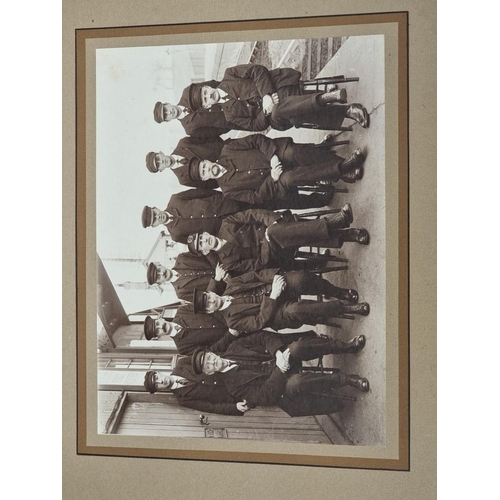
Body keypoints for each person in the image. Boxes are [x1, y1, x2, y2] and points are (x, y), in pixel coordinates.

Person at [143, 329, 369, 417]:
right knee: (296, 383)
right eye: (209, 365)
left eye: (211, 357)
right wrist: (280, 370)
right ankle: (346, 380)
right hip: (281, 383)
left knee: (296, 348)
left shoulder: (232, 349)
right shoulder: (233, 386)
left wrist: (279, 351)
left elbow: (261, 336)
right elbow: (266, 395)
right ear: (209, 373)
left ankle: (346, 346)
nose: (213, 360)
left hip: (280, 359)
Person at [184, 135, 365, 208]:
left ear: (207, 160)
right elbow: (256, 198)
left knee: (292, 152)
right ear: (206, 178)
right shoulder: (228, 190)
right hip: (276, 183)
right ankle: (343, 169)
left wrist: (272, 156)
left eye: (204, 166)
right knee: (289, 178)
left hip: (275, 154)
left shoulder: (228, 150)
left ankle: (341, 167)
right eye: (204, 173)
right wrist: (272, 178)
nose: (208, 169)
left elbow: (256, 140)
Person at [186, 206, 370, 276]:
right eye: (201, 244)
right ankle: (341, 225)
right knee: (279, 233)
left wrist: (272, 221)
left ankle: (350, 234)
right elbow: (258, 264)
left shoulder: (226, 224)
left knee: (284, 231)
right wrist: (268, 237)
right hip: (276, 256)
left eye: (202, 237)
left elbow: (254, 214)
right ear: (204, 252)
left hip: (278, 227)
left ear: (204, 232)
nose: (205, 240)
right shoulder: (227, 262)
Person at [182, 64, 369, 132]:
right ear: (207, 106)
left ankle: (345, 110)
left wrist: (267, 96)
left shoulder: (230, 74)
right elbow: (256, 126)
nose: (209, 96)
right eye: (206, 99)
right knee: (282, 111)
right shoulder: (229, 115)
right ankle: (329, 98)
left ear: (207, 86)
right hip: (276, 117)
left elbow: (258, 70)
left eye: (205, 92)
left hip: (280, 87)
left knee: (293, 110)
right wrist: (266, 110)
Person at [192, 268, 369, 333]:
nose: (211, 300)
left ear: (211, 293)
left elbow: (256, 275)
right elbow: (259, 322)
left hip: (275, 285)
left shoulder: (232, 284)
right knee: (296, 310)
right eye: (208, 304)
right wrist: (274, 296)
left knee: (299, 278)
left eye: (208, 296)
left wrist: (276, 276)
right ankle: (346, 308)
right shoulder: (232, 321)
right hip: (276, 313)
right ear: (210, 311)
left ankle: (339, 292)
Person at [140, 188, 250, 244]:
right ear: (154, 225)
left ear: (155, 208)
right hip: (227, 227)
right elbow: (198, 244)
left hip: (227, 204)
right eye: (154, 220)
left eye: (155, 214)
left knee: (259, 203)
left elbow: (201, 192)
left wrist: (221, 198)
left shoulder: (175, 200)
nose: (157, 217)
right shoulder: (176, 235)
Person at [153, 79, 247, 139]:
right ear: (168, 120)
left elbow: (212, 84)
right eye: (166, 115)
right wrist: (229, 123)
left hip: (233, 96)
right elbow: (214, 133)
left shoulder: (187, 92)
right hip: (237, 120)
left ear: (167, 104)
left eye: (165, 109)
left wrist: (230, 92)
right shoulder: (189, 129)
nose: (169, 112)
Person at [143, 303, 239, 355]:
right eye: (157, 330)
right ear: (159, 336)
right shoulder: (183, 348)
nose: (161, 327)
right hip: (236, 342)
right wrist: (230, 335)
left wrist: (229, 322)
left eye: (157, 323)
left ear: (161, 318)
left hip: (235, 318)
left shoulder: (183, 311)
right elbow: (210, 351)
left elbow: (211, 310)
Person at [144, 136, 230, 189]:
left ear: (161, 153)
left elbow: (209, 137)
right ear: (161, 169)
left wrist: (224, 147)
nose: (161, 161)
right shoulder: (183, 180)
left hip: (229, 151)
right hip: (228, 175)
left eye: (158, 158)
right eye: (159, 164)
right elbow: (208, 185)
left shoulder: (183, 143)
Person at [145, 253, 227, 301]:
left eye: (159, 270)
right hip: (227, 287)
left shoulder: (182, 258)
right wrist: (217, 280)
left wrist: (220, 266)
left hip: (226, 264)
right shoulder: (181, 293)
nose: (162, 273)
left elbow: (205, 255)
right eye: (159, 277)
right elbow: (205, 300)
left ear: (160, 265)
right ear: (160, 283)